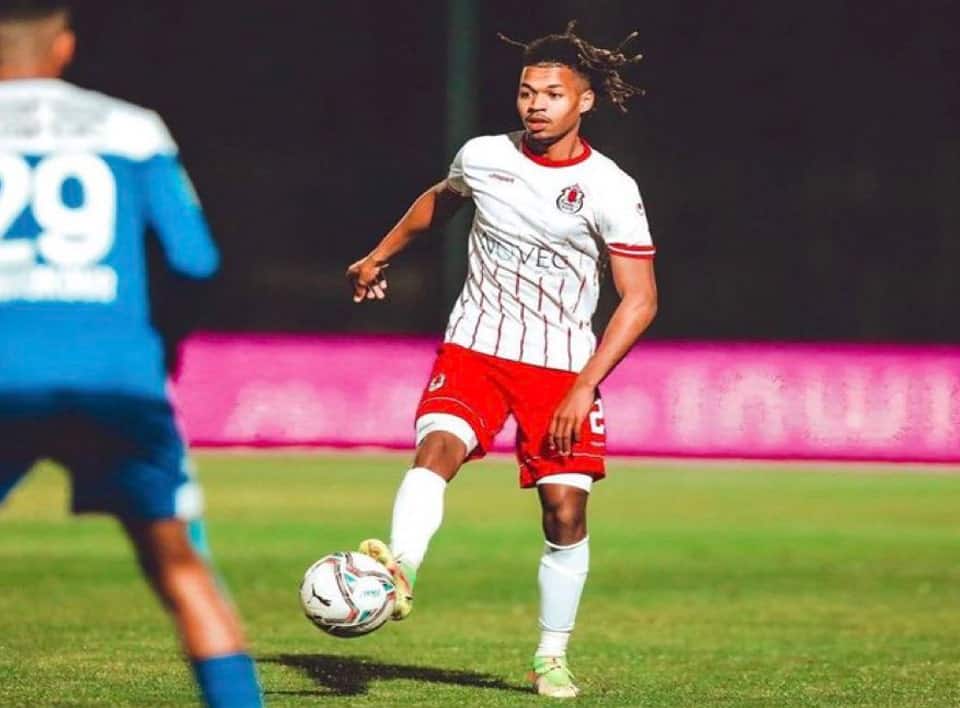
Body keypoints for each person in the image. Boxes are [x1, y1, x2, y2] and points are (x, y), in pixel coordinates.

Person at [346, 21, 657, 699]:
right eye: (526, 92)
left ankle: (551, 654)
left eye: (553, 93)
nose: (536, 104)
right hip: (476, 346)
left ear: (584, 102)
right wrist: (379, 255)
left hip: (561, 366)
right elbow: (441, 200)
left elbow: (640, 300)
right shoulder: (484, 156)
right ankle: (400, 569)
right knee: (437, 449)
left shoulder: (609, 186)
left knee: (564, 514)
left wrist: (585, 386)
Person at [0, 3, 262, 706]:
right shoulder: (130, 127)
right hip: (117, 377)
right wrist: (161, 346)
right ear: (63, 46)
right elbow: (196, 261)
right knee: (180, 567)